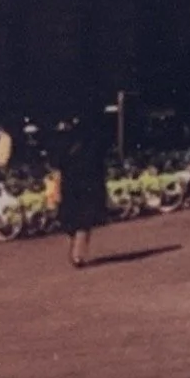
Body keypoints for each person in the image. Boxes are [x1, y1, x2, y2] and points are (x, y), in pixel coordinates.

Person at [58, 106, 110, 268]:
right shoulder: (90, 142)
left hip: (76, 184)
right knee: (82, 221)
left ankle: (77, 253)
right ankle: (77, 253)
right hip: (82, 184)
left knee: (79, 221)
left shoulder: (68, 143)